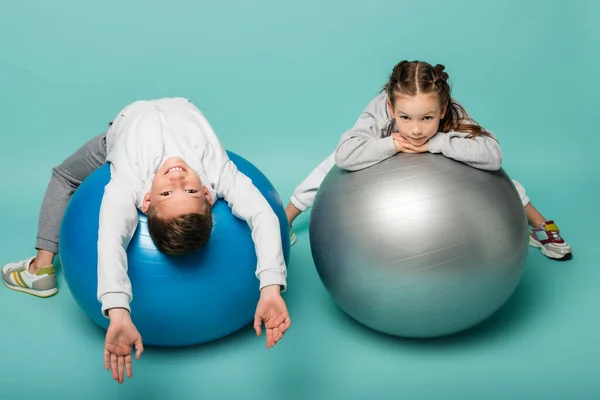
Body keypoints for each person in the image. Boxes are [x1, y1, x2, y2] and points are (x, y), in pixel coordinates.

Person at [2, 97, 292, 384]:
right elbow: (264, 216)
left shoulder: (128, 181)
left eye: (168, 194)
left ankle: (40, 269)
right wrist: (270, 287)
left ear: (147, 201)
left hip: (118, 136)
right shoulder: (219, 172)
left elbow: (110, 238)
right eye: (189, 192)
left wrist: (117, 313)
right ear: (206, 194)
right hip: (164, 116)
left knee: (65, 176)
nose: (177, 181)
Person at [285, 60, 571, 260]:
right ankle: (285, 219)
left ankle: (539, 226)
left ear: (443, 109)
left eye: (428, 118)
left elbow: (493, 156)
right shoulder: (378, 110)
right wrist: (392, 143)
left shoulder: (453, 113)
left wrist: (438, 142)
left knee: (494, 177)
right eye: (405, 118)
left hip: (444, 159)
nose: (417, 129)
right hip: (381, 159)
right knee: (329, 167)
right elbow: (344, 154)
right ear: (391, 107)